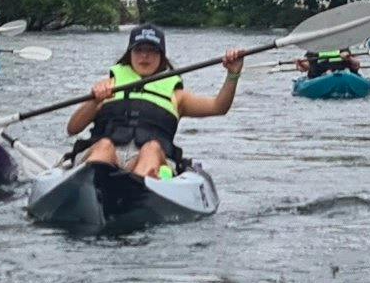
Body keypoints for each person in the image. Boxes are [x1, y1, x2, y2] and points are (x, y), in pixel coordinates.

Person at [66, 24, 248, 180]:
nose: (144, 56)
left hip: (151, 161)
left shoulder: (178, 96)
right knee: (104, 145)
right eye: (139, 50)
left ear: (161, 56)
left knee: (152, 148)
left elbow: (219, 107)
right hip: (105, 157)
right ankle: (94, 185)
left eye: (151, 51)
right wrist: (94, 101)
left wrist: (233, 74)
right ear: (129, 54)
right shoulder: (108, 87)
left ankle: (137, 190)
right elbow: (73, 128)